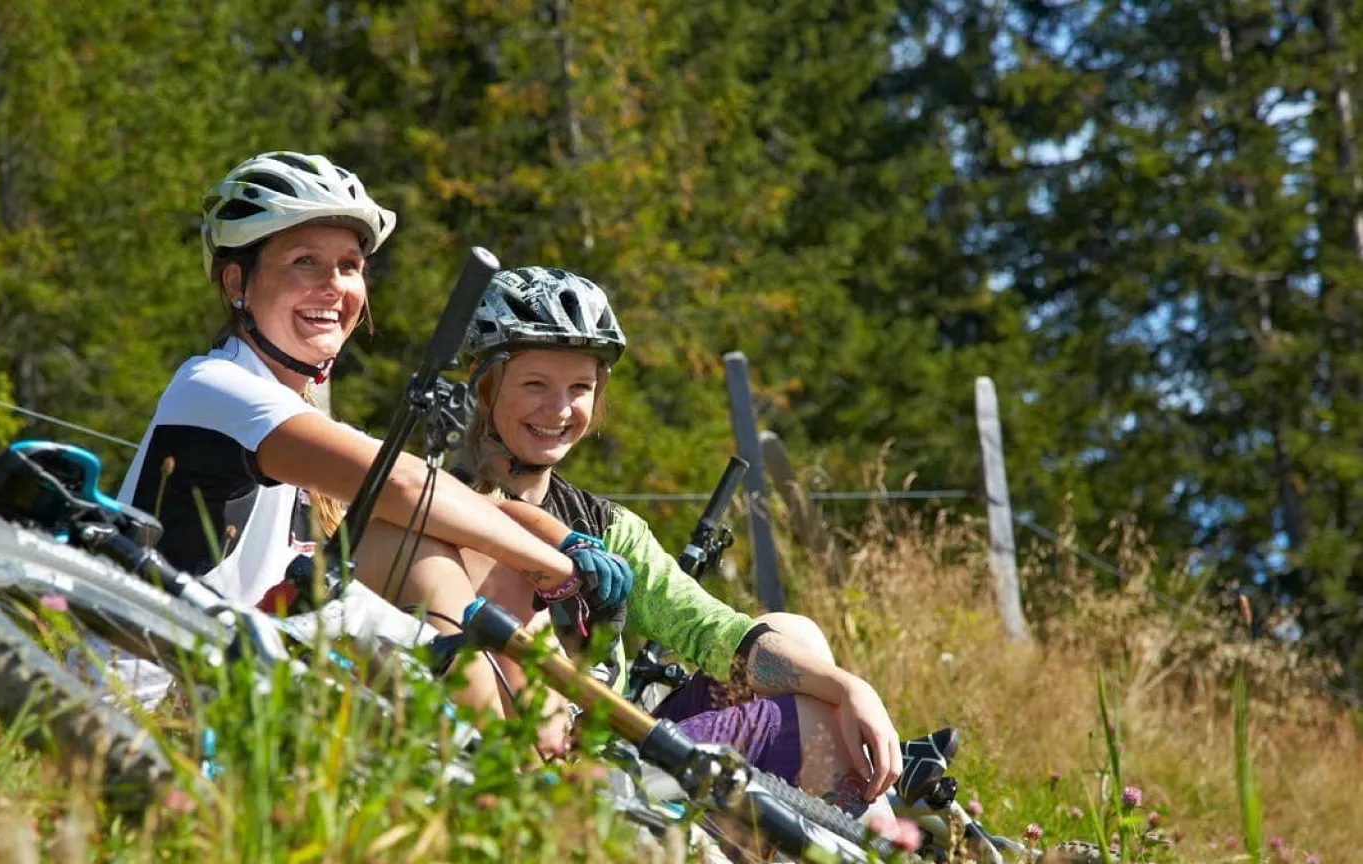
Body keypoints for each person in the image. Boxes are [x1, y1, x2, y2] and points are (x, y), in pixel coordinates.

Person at [117, 153, 629, 716]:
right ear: (238, 282)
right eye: (304, 262)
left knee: (475, 574)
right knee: (421, 556)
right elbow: (405, 487)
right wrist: (557, 569)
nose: (333, 287)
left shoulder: (286, 408)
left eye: (348, 265)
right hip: (146, 706)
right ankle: (515, 771)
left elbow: (449, 499)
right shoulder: (212, 387)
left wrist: (562, 546)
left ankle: (542, 757)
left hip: (239, 667)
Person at [452, 266, 904, 812]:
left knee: (794, 633)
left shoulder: (607, 527)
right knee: (817, 719)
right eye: (534, 385)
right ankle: (852, 860)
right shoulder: (432, 495)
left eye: (580, 388)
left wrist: (851, 686)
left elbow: (709, 631)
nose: (560, 410)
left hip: (621, 742)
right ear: (483, 385)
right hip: (552, 766)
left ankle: (803, 855)